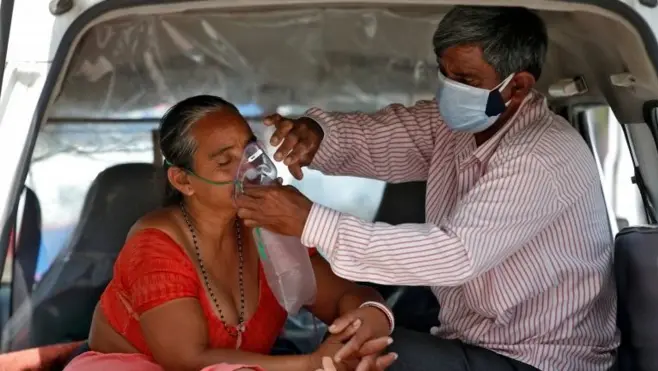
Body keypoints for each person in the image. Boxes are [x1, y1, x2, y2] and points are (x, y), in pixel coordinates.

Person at [234, 6, 618, 371]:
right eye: (445, 74)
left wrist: (311, 222)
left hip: (540, 358)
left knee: (371, 355)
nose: (449, 90)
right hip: (474, 338)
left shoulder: (541, 154)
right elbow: (377, 139)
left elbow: (455, 254)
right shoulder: (457, 128)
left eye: (466, 80)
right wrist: (317, 136)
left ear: (517, 86)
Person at [64, 95, 398, 371]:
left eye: (251, 151)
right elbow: (186, 360)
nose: (250, 170)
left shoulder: (270, 228)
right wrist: (312, 363)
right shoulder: (155, 244)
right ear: (183, 181)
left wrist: (367, 321)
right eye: (226, 162)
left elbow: (345, 296)